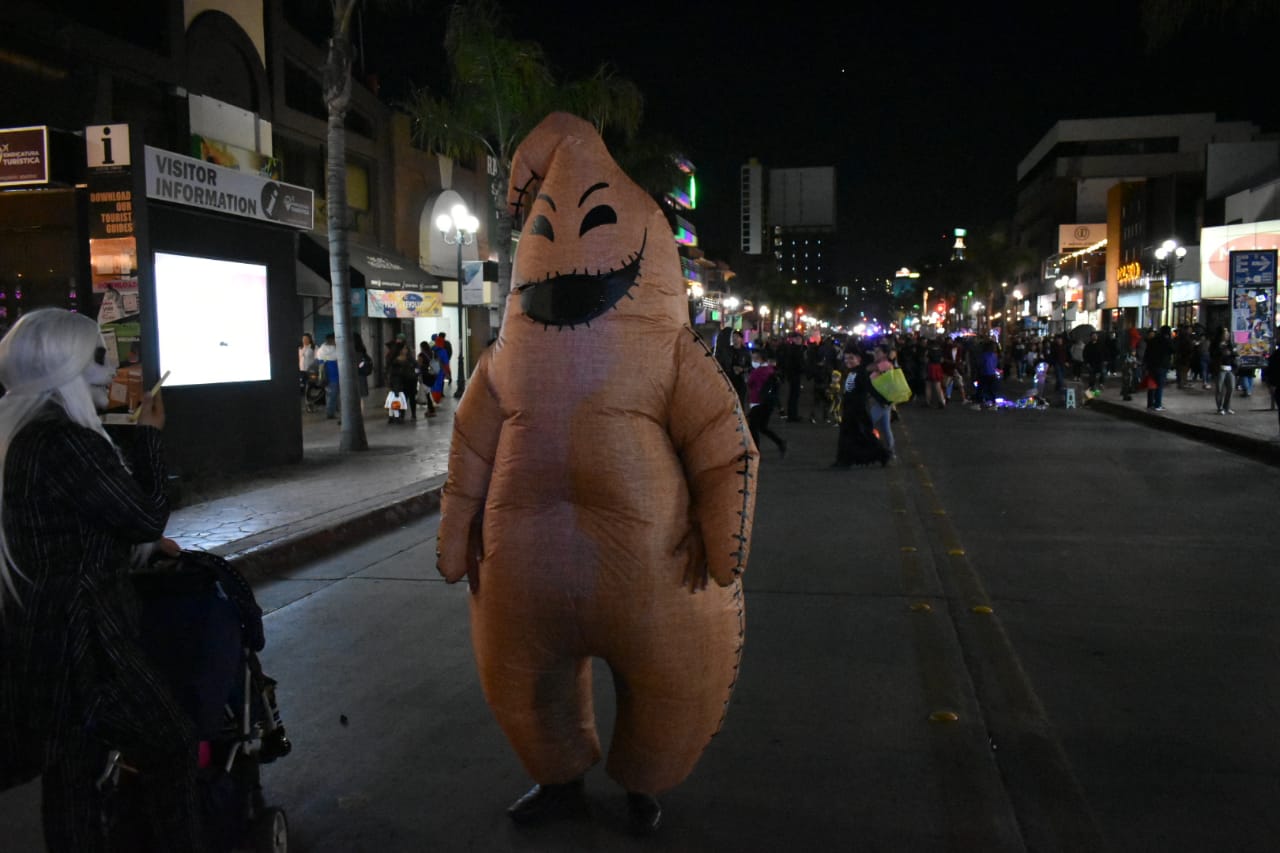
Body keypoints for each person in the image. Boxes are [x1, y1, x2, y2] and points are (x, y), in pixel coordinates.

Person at [0, 308, 205, 851]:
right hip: (87, 638)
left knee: (70, 771)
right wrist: (150, 439)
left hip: (39, 631)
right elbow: (144, 515)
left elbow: (64, 526)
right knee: (172, 740)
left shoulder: (19, 433)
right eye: (96, 357)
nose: (108, 370)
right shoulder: (67, 441)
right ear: (61, 366)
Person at [832, 348, 890, 468]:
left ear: (859, 359)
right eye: (846, 358)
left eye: (851, 358)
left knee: (864, 435)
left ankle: (882, 455)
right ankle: (843, 460)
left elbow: (870, 389)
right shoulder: (850, 372)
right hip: (849, 409)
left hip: (859, 410)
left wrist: (883, 400)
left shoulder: (861, 373)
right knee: (846, 435)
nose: (848, 361)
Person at [745, 349, 786, 458]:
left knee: (753, 427)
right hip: (769, 403)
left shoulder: (757, 372)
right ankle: (780, 442)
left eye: (754, 359)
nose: (753, 361)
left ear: (759, 359)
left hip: (757, 402)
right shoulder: (770, 370)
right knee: (762, 427)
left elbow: (749, 383)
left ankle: (756, 451)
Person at [866, 345, 897, 458]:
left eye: (878, 352)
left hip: (882, 400)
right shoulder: (884, 364)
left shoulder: (885, 364)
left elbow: (868, 368)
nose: (875, 353)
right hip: (883, 400)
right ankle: (890, 451)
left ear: (884, 354)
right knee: (885, 427)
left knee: (867, 423)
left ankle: (871, 449)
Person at [386, 341, 419, 422]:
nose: (406, 350)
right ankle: (400, 415)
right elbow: (392, 373)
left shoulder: (410, 359)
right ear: (400, 350)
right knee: (401, 399)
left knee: (412, 399)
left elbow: (417, 367)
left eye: (406, 348)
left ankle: (413, 414)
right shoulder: (395, 361)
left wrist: (415, 374)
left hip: (411, 381)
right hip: (400, 383)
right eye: (404, 348)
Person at [1209, 326, 1237, 415]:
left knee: (1231, 388)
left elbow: (1234, 354)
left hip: (1229, 368)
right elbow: (1212, 355)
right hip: (1220, 368)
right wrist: (1221, 352)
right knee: (1219, 389)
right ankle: (1220, 408)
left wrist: (1232, 353)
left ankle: (1227, 406)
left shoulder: (1230, 344)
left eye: (1227, 333)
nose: (1227, 335)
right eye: (1225, 333)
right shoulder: (1216, 344)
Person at [1144, 326, 1172, 411]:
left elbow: (1147, 353)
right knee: (1159, 385)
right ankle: (1158, 404)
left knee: (1152, 385)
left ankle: (1150, 404)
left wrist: (1146, 364)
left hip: (1152, 365)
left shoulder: (1152, 341)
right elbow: (1173, 350)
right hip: (1161, 365)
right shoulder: (1166, 341)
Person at [315, 332, 340, 420]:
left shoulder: (321, 350)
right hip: (334, 376)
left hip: (325, 377)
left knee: (330, 395)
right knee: (333, 395)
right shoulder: (336, 350)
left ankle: (332, 411)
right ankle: (331, 413)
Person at [415, 341, 437, 416]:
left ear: (421, 347)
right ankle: (430, 410)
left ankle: (431, 410)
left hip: (424, 376)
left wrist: (417, 374)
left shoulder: (421, 355)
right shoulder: (431, 353)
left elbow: (418, 366)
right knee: (428, 393)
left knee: (427, 394)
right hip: (431, 375)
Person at [353, 333, 372, 413]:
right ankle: (359, 414)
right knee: (360, 398)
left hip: (353, 376)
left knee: (352, 397)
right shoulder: (362, 349)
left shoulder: (350, 350)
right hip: (361, 376)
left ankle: (354, 414)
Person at [298, 332, 316, 404]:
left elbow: (316, 358)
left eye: (306, 339)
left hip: (310, 370)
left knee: (310, 386)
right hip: (302, 370)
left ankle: (309, 401)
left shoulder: (313, 347)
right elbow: (299, 358)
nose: (304, 340)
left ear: (310, 339)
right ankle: (305, 401)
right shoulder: (300, 348)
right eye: (303, 339)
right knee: (302, 386)